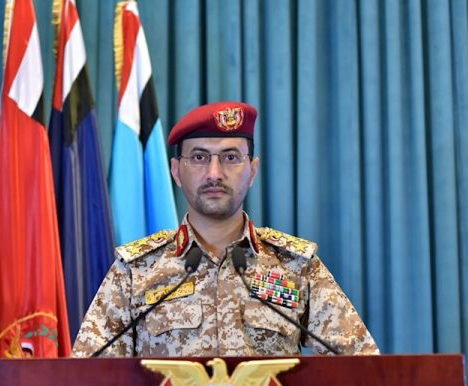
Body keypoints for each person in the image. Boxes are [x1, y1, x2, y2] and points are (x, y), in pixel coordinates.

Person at [72, 101, 378, 357]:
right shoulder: (135, 271)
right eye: (199, 157)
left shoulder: (295, 266)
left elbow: (361, 367)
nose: (214, 173)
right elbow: (90, 379)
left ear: (252, 170)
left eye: (231, 157)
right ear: (176, 172)